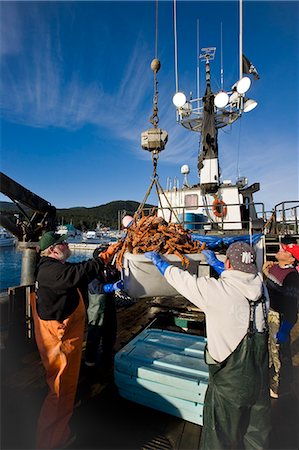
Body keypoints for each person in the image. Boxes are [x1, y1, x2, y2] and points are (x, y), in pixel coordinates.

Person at [145, 242, 271, 450]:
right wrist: (217, 264)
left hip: (229, 385)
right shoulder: (262, 289)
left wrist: (159, 262)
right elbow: (240, 280)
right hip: (259, 379)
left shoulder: (215, 293)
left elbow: (182, 279)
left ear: (228, 263)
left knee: (219, 439)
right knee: (256, 437)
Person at [30, 231, 123, 449]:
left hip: (66, 336)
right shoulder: (49, 271)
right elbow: (74, 274)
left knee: (67, 386)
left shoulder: (53, 267)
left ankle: (64, 421)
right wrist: (101, 259)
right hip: (58, 339)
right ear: (53, 249)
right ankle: (51, 440)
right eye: (62, 243)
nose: (66, 244)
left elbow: (77, 274)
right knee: (60, 389)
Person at [263, 243, 299, 399]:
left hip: (280, 318)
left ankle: (279, 387)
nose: (280, 249)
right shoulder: (275, 267)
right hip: (269, 314)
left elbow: (291, 305)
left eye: (285, 250)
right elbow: (271, 287)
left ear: (291, 258)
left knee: (278, 352)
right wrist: (265, 272)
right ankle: (279, 381)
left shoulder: (292, 277)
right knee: (271, 350)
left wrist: (285, 329)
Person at [85, 244, 120, 371]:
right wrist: (112, 287)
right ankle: (89, 363)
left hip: (110, 307)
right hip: (96, 309)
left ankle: (107, 356)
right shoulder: (92, 270)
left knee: (110, 332)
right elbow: (96, 288)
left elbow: (117, 276)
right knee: (94, 334)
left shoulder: (110, 269)